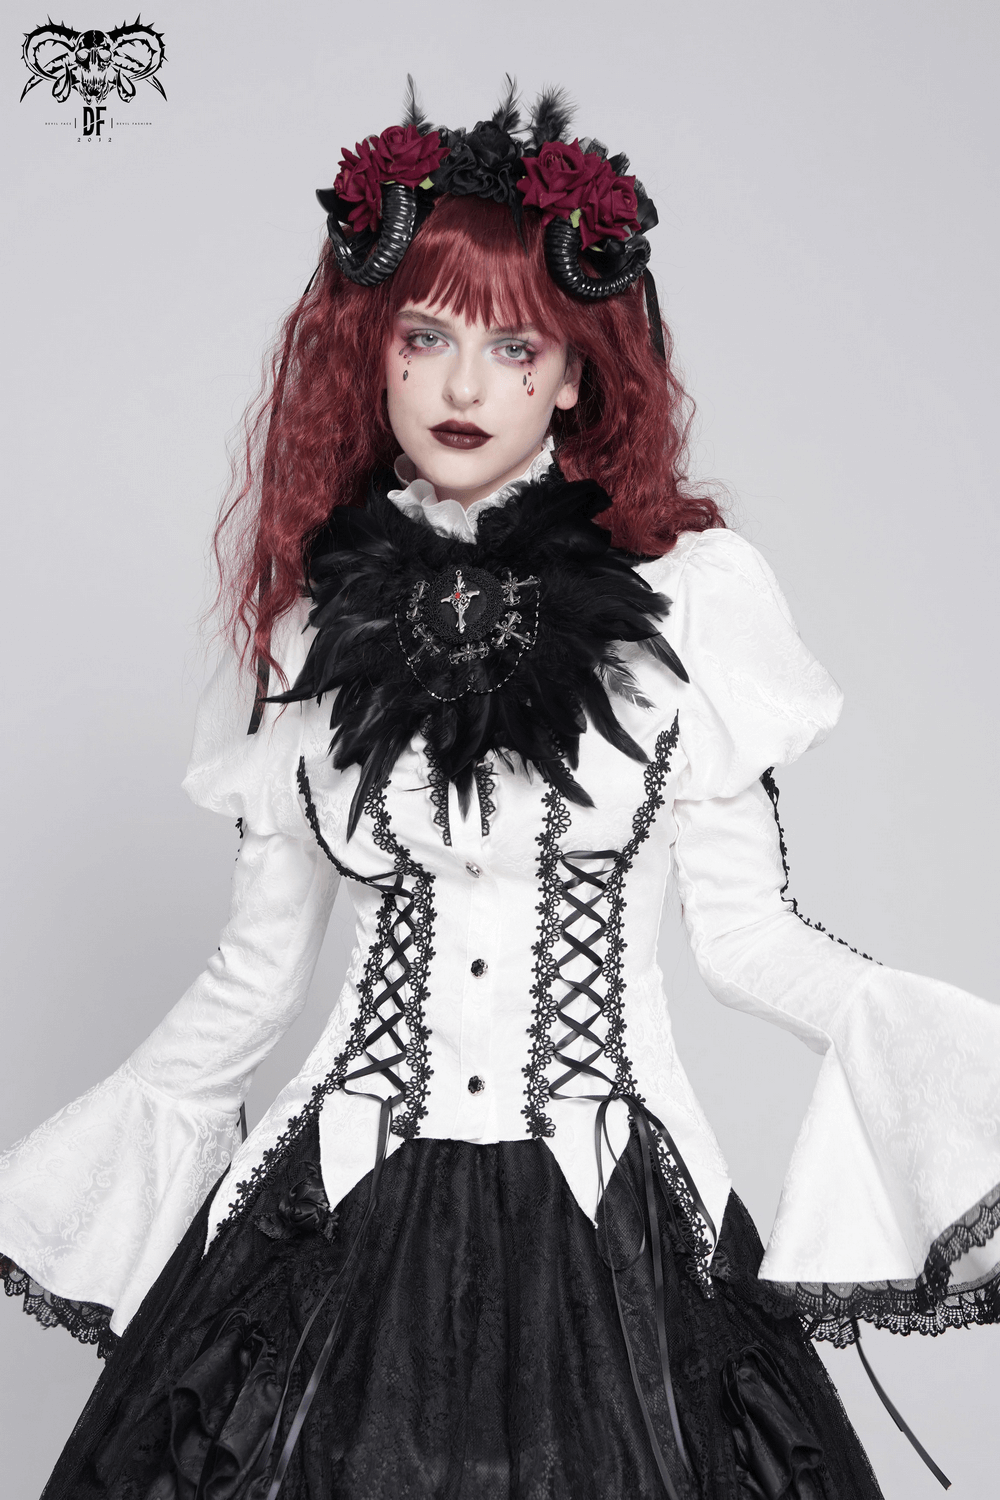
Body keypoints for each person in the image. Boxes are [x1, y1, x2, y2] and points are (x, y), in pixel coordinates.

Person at [1, 80, 997, 1500]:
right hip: (337, 1211)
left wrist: (956, 1077)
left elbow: (748, 940)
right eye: (426, 338)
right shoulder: (307, 626)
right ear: (376, 354)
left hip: (617, 1225)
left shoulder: (693, 607)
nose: (463, 389)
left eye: (513, 346)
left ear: (575, 374)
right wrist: (59, 1186)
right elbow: (253, 981)